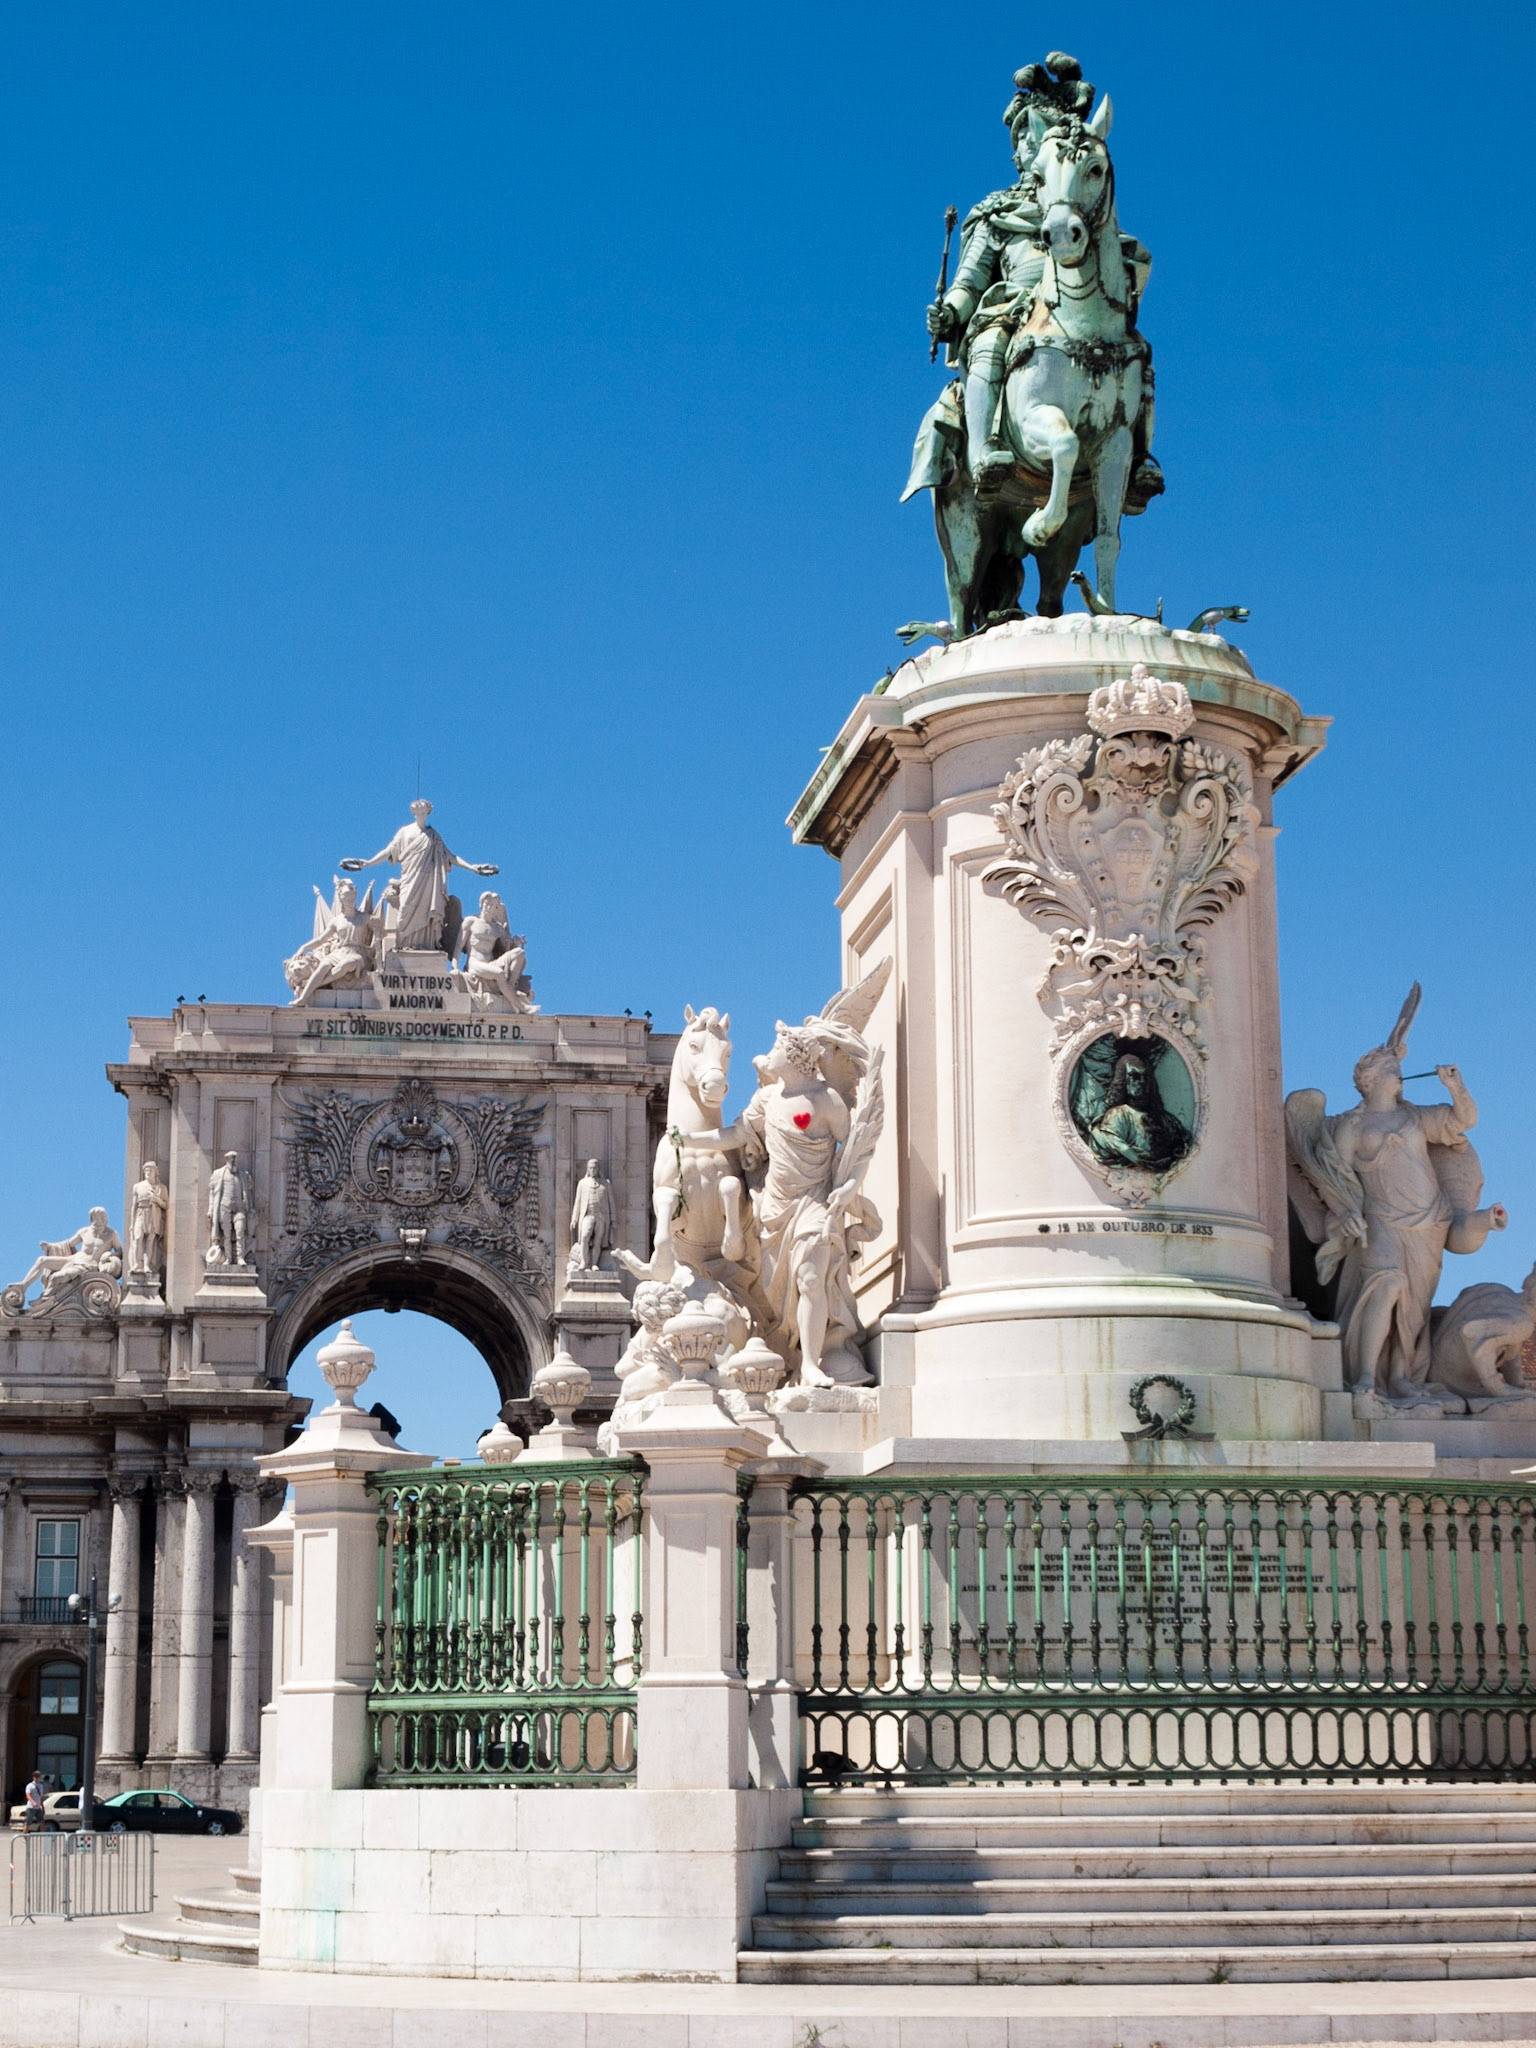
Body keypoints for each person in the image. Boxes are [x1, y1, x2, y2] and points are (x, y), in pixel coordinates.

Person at [342, 800, 497, 955]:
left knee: (428, 913)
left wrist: (472, 867)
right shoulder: (404, 832)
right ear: (413, 812)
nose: (420, 814)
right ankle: (403, 946)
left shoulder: (433, 836)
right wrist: (368, 863)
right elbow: (389, 851)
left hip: (430, 882)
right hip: (410, 879)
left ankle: (427, 947)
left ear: (428, 812)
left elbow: (450, 856)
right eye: (418, 811)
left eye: (424, 811)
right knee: (405, 911)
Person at [1086, 1052, 1189, 1174]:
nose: (1142, 1082)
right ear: (1123, 1081)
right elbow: (1111, 1146)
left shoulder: (1168, 1121)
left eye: (1146, 1077)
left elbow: (1183, 1145)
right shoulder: (1118, 1115)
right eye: (1135, 1076)